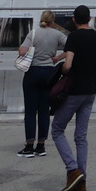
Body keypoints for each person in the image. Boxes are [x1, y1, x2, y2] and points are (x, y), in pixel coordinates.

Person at [51, 4, 96, 191]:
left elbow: (68, 65)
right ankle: (82, 179)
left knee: (57, 129)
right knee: (81, 136)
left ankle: (73, 170)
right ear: (89, 19)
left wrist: (62, 70)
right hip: (90, 90)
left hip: (74, 90)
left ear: (74, 20)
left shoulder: (73, 37)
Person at [17, 10, 66, 158]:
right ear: (53, 21)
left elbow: (21, 51)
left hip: (32, 72)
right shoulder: (57, 34)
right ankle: (41, 145)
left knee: (31, 110)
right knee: (44, 110)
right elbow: (71, 47)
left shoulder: (33, 33)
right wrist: (58, 57)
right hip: (49, 74)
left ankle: (29, 145)